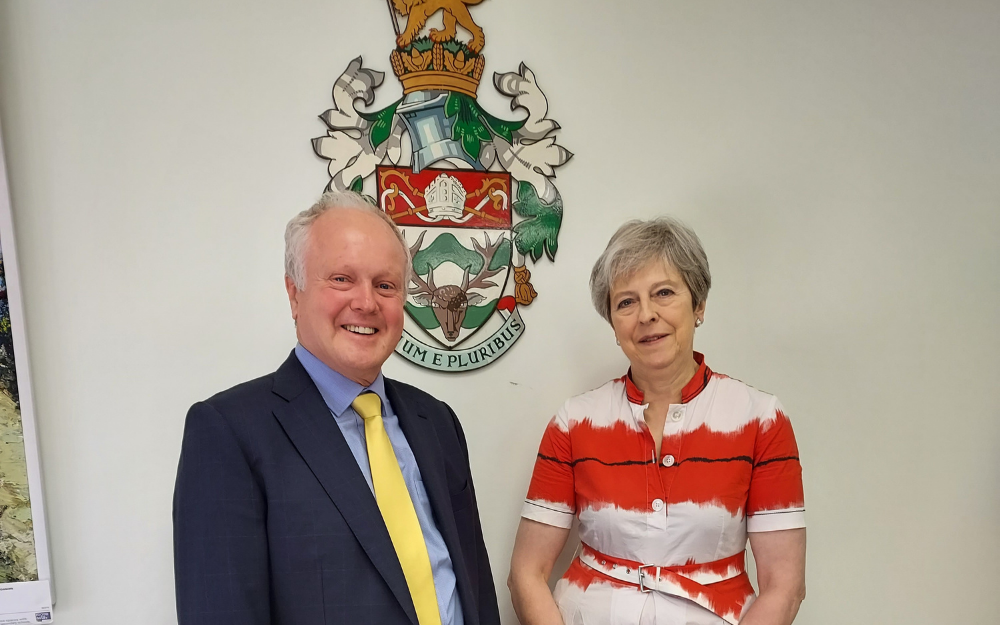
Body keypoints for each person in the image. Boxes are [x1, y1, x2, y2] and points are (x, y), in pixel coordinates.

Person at [173, 191, 501, 625]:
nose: (366, 302)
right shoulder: (229, 433)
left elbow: (472, 584)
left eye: (385, 285)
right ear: (294, 295)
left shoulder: (437, 422)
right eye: (342, 279)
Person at [508, 217, 806, 625]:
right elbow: (526, 573)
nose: (646, 315)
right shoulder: (573, 423)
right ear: (613, 324)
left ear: (698, 304)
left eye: (663, 293)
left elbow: (784, 586)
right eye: (626, 302)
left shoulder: (760, 419)